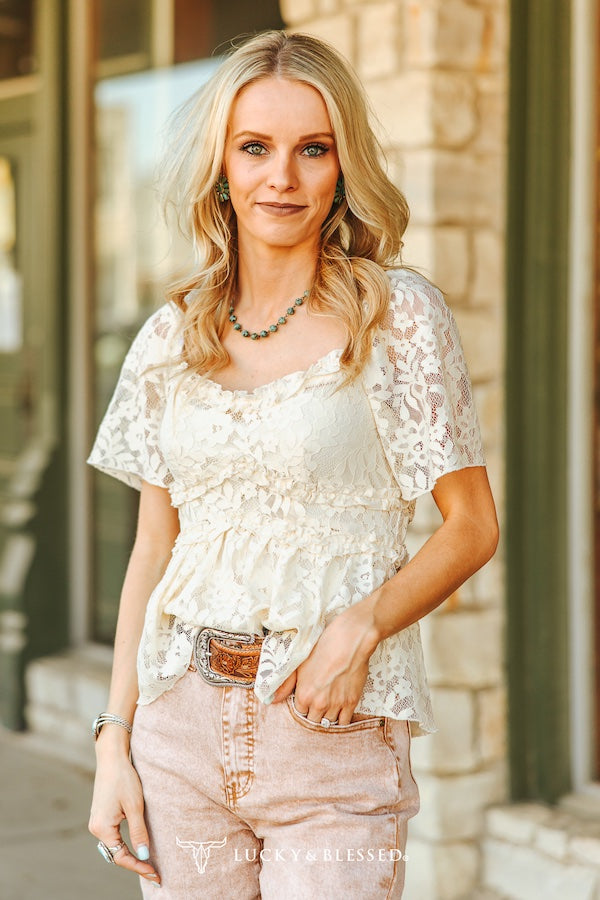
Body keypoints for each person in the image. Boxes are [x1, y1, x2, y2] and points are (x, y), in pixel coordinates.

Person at [87, 29, 498, 899]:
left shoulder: (400, 318)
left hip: (331, 731)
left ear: (343, 165)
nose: (283, 177)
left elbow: (472, 528)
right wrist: (113, 740)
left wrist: (360, 628)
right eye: (255, 148)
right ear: (222, 166)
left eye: (313, 149)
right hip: (179, 732)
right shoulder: (172, 334)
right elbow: (153, 548)